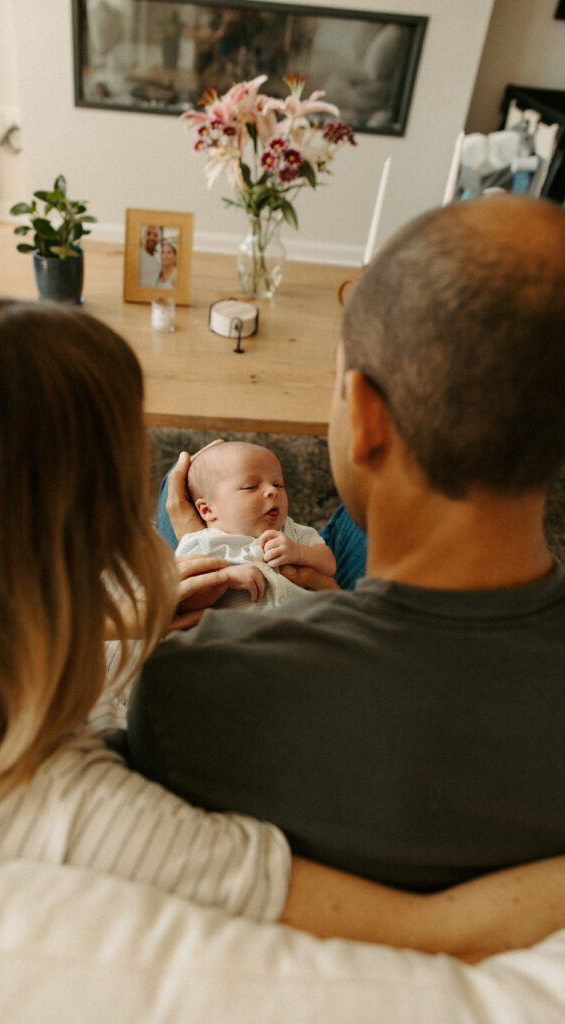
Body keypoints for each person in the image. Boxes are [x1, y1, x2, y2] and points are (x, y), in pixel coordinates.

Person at [0, 296, 563, 963]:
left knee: (263, 522)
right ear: (87, 527)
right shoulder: (88, 809)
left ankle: (198, 535)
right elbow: (434, 932)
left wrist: (131, 602)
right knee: (360, 519)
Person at [127, 194, 565, 893]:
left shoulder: (194, 687)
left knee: (178, 504)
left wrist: (194, 546)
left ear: (363, 415)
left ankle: (196, 536)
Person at [177, 440, 336, 608]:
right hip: (238, 632)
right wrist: (224, 579)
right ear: (207, 509)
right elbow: (183, 602)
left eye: (278, 485)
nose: (272, 491)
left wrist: (299, 552)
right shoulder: (201, 544)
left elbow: (329, 566)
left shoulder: (292, 532)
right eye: (250, 487)